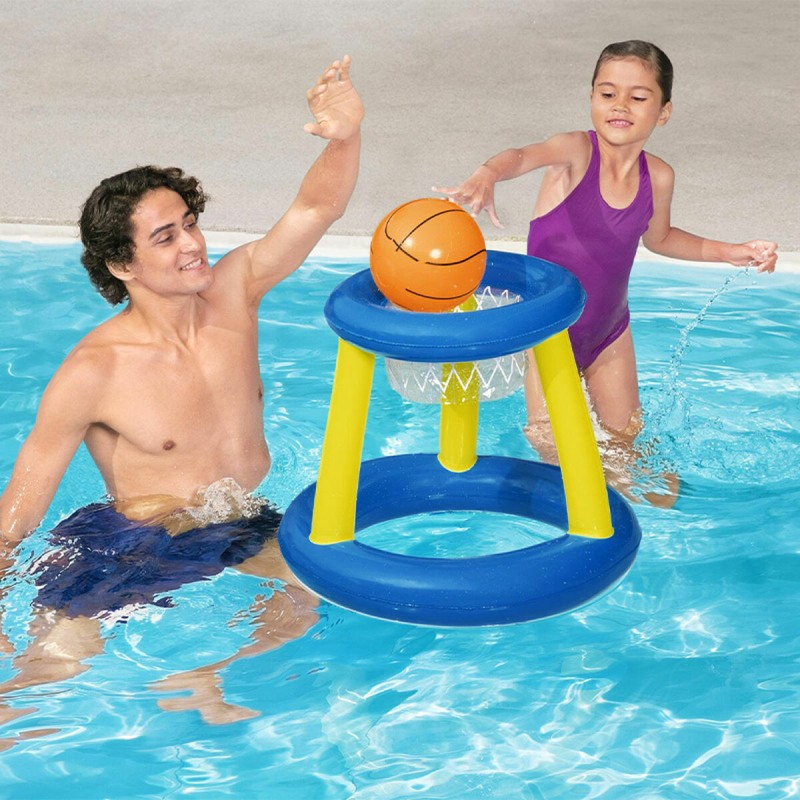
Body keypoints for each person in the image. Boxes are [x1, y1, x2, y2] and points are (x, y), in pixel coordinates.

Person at [0, 55, 363, 734]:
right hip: (131, 541)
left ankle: (207, 675)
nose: (193, 244)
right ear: (122, 264)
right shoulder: (93, 372)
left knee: (316, 582)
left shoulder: (236, 292)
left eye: (190, 223)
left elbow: (317, 207)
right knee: (54, 674)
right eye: (166, 237)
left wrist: (345, 138)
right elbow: (20, 507)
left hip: (235, 521)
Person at [434, 40, 777, 486]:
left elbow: (661, 238)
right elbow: (523, 155)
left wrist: (730, 252)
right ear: (592, 97)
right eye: (607, 93)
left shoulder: (658, 176)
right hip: (550, 333)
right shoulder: (576, 152)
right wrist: (488, 173)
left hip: (610, 334)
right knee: (553, 447)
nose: (620, 105)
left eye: (638, 97)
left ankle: (655, 517)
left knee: (626, 451)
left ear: (664, 112)